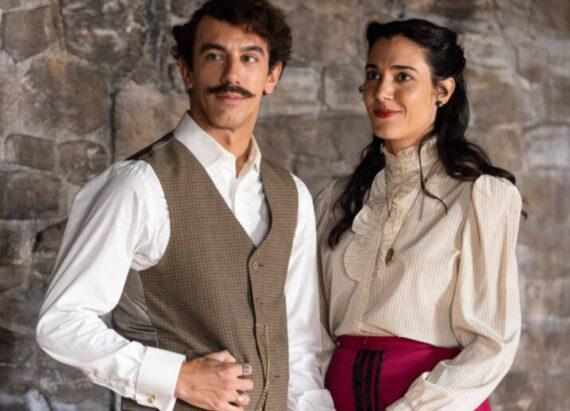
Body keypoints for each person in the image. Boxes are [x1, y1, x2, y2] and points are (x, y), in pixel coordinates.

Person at [36, 1, 335, 410]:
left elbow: (299, 346)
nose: (232, 75)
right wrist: (176, 376)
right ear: (186, 70)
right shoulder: (139, 185)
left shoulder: (292, 194)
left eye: (249, 58)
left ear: (272, 75)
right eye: (214, 56)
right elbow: (62, 321)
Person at [316, 19, 524, 411]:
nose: (382, 92)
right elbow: (313, 334)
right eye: (373, 75)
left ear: (442, 91)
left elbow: (492, 343)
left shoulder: (480, 197)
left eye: (403, 77)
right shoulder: (334, 201)